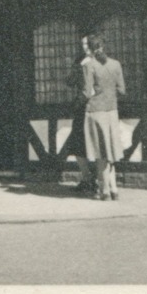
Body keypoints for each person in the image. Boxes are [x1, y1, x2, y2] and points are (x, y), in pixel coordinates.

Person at [80, 35, 125, 201]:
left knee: (100, 153)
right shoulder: (116, 64)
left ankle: (104, 190)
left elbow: (87, 92)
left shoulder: (89, 65)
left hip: (95, 112)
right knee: (110, 151)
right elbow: (122, 90)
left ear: (90, 49)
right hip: (112, 111)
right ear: (103, 47)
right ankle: (114, 189)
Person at [61, 36, 95, 193]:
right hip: (87, 108)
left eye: (87, 44)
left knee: (89, 144)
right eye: (82, 44)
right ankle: (88, 178)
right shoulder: (81, 62)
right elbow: (69, 81)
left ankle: (95, 179)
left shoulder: (94, 63)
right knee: (79, 143)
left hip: (90, 107)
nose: (84, 47)